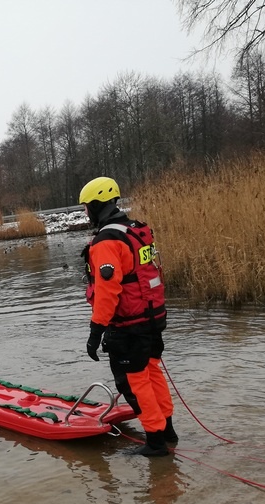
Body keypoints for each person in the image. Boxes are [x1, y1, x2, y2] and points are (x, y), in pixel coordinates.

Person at [79, 176, 177, 457]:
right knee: (151, 372)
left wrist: (96, 331)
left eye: (87, 207)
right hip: (152, 318)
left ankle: (156, 442)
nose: (86, 212)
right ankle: (167, 432)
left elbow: (107, 291)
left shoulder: (107, 241)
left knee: (133, 380)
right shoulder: (136, 229)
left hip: (130, 324)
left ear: (97, 206)